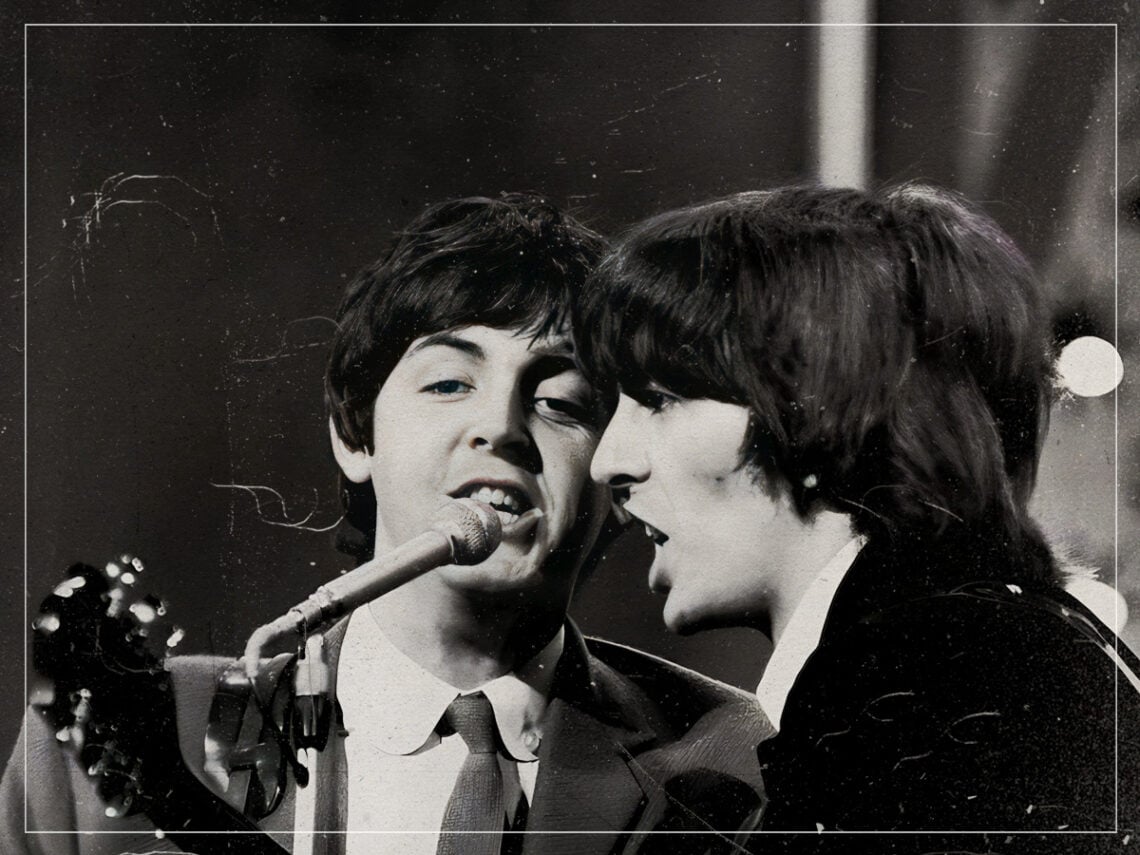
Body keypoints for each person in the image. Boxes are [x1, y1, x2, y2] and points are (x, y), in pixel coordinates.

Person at [2, 193, 770, 855]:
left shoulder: (735, 759)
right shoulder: (108, 743)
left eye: (561, 402)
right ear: (355, 434)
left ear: (616, 465)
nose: (500, 427)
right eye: (448, 383)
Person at [578, 183, 1140, 838]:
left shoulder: (922, 684)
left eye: (660, 398)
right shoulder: (992, 647)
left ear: (815, 411)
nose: (608, 461)